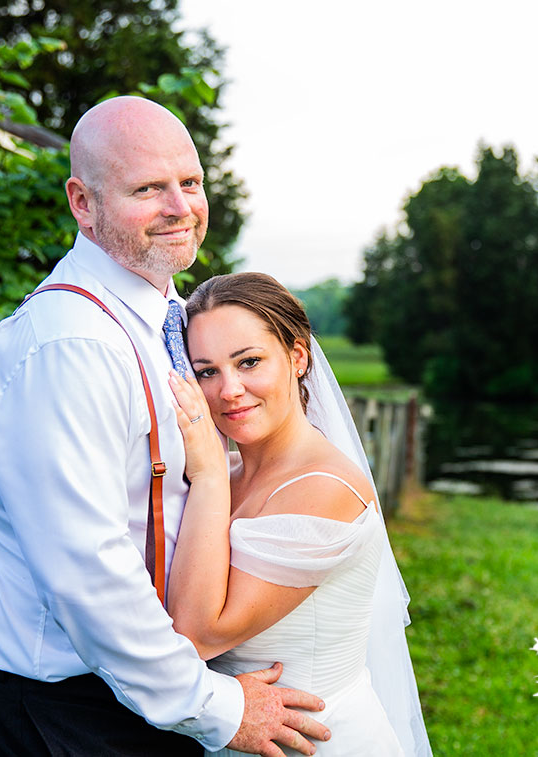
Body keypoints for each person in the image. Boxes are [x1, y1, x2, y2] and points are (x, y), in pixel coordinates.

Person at [0, 96, 330, 757]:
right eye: (148, 188)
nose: (180, 206)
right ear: (82, 204)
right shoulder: (69, 347)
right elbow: (88, 571)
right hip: (78, 710)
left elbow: (122, 422)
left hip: (143, 684)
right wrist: (212, 707)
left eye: (191, 182)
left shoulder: (152, 311)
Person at [165, 272, 430, 755]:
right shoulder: (228, 469)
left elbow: (198, 635)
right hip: (236, 735)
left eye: (249, 362)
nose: (229, 390)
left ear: (298, 357)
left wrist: (205, 477)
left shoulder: (323, 488)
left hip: (317, 742)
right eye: (207, 371)